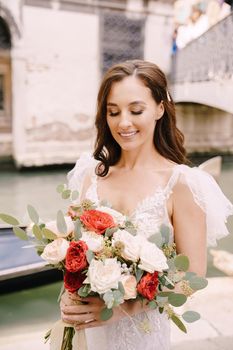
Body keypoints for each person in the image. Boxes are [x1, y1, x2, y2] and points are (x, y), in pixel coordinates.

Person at [60, 60, 233, 350]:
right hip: (87, 333)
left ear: (159, 109)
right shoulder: (89, 175)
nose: (123, 122)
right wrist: (69, 295)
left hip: (141, 335)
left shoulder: (183, 184)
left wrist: (122, 309)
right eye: (113, 112)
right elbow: (74, 256)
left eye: (136, 110)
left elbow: (192, 279)